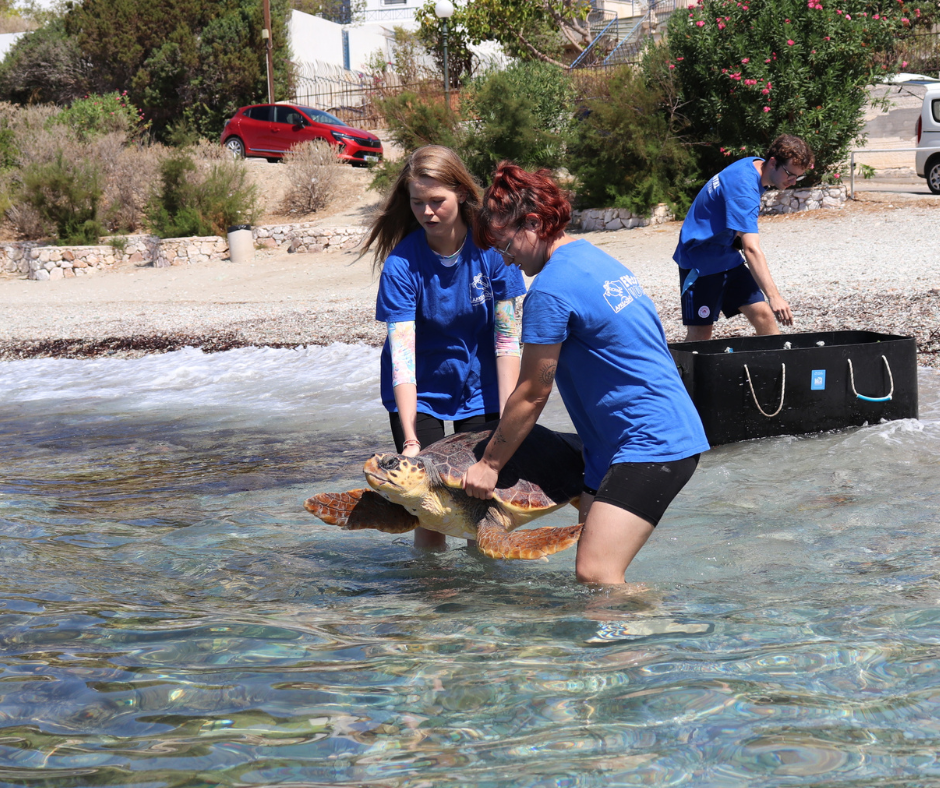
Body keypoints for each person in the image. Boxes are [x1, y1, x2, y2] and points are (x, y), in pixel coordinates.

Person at [462, 163, 710, 585]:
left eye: (506, 245)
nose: (508, 260)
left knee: (596, 574)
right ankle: (610, 649)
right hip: (621, 445)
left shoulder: (549, 291)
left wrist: (489, 464)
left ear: (534, 222)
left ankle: (665, 645)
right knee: (593, 583)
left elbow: (532, 393)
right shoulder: (593, 258)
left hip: (651, 444)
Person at [361, 145, 527, 551]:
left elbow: (507, 341)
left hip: (482, 387)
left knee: (482, 506)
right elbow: (402, 358)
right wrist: (411, 435)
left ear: (462, 194)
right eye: (417, 203)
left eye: (437, 201)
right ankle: (433, 600)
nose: (427, 212)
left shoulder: (492, 250)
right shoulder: (402, 265)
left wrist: (509, 417)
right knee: (429, 511)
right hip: (422, 395)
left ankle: (482, 601)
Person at [674, 134, 814, 342]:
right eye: (789, 174)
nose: (792, 182)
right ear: (773, 162)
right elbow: (751, 249)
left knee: (764, 315)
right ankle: (678, 375)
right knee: (700, 335)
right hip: (699, 262)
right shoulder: (745, 190)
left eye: (798, 177)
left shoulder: (754, 164)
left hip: (727, 256)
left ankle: (776, 370)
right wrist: (774, 296)